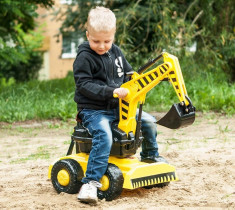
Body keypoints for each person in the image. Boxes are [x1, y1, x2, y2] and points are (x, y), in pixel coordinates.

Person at [73, 6, 167, 204]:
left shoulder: (116, 52)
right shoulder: (84, 57)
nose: (101, 46)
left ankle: (151, 156)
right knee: (104, 136)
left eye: (107, 41)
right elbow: (84, 85)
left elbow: (128, 74)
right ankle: (90, 183)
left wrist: (138, 80)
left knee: (148, 122)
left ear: (113, 36)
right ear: (87, 34)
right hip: (94, 111)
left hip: (118, 109)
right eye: (96, 41)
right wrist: (112, 91)